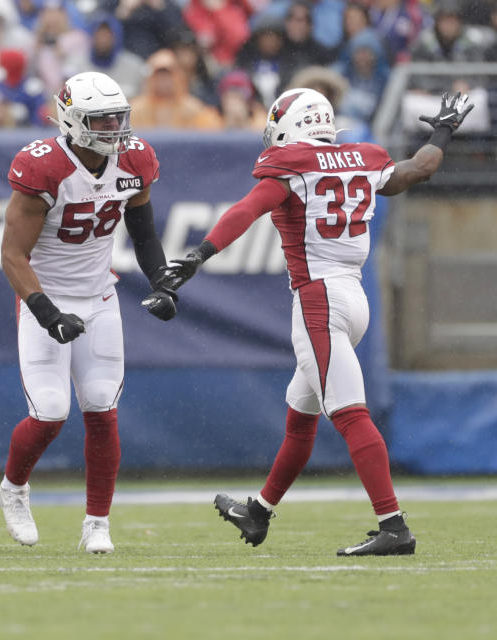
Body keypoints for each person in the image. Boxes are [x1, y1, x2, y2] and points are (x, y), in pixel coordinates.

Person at [163, 89, 474, 556]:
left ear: (291, 124)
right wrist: (444, 129)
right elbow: (420, 168)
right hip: (354, 300)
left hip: (318, 301)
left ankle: (393, 526)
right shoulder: (363, 156)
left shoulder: (291, 165)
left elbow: (247, 209)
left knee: (349, 413)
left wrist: (198, 254)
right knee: (301, 417)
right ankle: (258, 512)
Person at [0, 71, 177, 554]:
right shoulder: (45, 167)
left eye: (119, 116)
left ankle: (97, 522)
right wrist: (46, 312)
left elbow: (143, 232)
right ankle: (14, 488)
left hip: (99, 298)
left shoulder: (134, 158)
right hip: (46, 296)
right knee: (52, 412)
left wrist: (162, 280)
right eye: (103, 119)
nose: (116, 127)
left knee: (101, 405)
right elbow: (12, 255)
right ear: (74, 121)